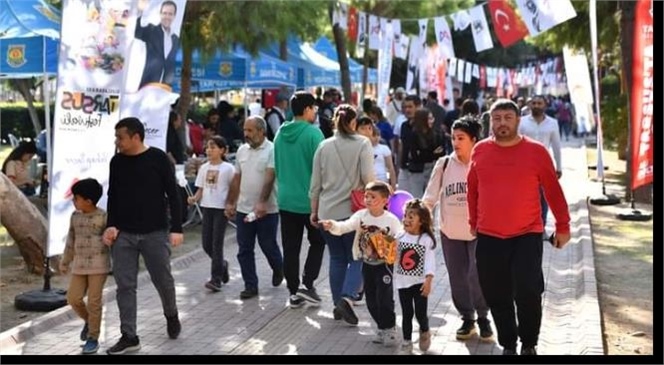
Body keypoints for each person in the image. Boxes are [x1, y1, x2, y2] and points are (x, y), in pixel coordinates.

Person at [467, 99, 571, 355]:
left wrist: (563, 225)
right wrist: (473, 222)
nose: (502, 123)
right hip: (489, 235)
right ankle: (509, 343)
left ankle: (529, 343)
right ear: (491, 121)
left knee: (528, 291)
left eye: (507, 118)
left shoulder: (536, 152)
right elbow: (473, 190)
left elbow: (553, 191)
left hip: (527, 233)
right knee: (495, 292)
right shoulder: (480, 150)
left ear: (517, 121)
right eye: (497, 118)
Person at [103, 117, 183, 355]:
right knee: (125, 286)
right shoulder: (117, 161)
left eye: (120, 137)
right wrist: (111, 225)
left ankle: (171, 313)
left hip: (155, 233)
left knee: (163, 281)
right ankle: (129, 335)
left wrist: (177, 228)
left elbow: (174, 194)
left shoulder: (158, 158)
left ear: (136, 137)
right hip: (124, 235)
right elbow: (113, 195)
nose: (117, 142)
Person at [422, 116, 493, 343]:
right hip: (450, 232)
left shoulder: (485, 163)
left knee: (477, 275)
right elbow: (430, 197)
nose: (455, 142)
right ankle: (467, 318)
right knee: (458, 278)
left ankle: (483, 317)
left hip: (478, 232)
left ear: (474, 139)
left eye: (461, 138)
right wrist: (421, 221)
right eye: (453, 137)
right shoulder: (443, 164)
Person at [310, 104, 375, 324]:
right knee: (357, 257)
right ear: (354, 122)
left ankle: (338, 303)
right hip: (353, 212)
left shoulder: (323, 146)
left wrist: (314, 211)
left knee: (336, 258)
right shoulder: (363, 144)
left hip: (326, 211)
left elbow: (315, 184)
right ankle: (346, 299)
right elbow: (368, 179)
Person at [319, 181, 401, 344]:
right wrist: (332, 225)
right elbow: (345, 226)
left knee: (384, 297)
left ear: (385, 200)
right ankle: (381, 327)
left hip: (384, 266)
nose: (368, 200)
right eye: (366, 196)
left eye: (373, 197)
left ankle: (389, 328)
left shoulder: (391, 220)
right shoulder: (361, 215)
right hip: (366, 264)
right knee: (370, 299)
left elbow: (400, 239)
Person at [273, 91, 326, 308]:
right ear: (306, 110)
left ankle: (293, 292)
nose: (315, 112)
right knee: (318, 242)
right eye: (314, 108)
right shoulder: (314, 135)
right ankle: (308, 283)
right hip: (311, 201)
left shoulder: (279, 134)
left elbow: (276, 165)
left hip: (285, 199)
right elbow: (324, 169)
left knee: (290, 247)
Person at [225, 116, 284, 300]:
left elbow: (270, 177)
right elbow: (237, 178)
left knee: (268, 245)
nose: (246, 134)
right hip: (244, 208)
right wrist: (230, 202)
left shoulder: (272, 149)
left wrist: (262, 202)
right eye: (245, 130)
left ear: (261, 131)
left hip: (267, 209)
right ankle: (250, 286)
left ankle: (278, 267)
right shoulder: (242, 151)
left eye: (250, 130)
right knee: (244, 250)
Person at [59, 178, 108, 355]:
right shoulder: (75, 216)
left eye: (76, 198)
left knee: (94, 302)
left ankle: (93, 338)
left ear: (88, 200)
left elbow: (111, 241)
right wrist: (65, 261)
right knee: (73, 298)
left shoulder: (103, 217)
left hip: (99, 266)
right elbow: (71, 239)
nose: (73, 201)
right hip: (79, 265)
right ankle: (89, 321)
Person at [187, 136, 234, 292]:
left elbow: (233, 189)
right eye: (207, 147)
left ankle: (216, 279)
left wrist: (230, 205)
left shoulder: (228, 168)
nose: (209, 150)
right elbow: (201, 189)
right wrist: (194, 198)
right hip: (207, 208)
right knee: (206, 243)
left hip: (221, 209)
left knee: (216, 243)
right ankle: (222, 265)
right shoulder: (204, 168)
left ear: (222, 150)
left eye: (213, 147)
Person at [393, 199, 436, 354]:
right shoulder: (399, 236)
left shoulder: (426, 240)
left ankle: (424, 330)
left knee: (420, 313)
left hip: (419, 283)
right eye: (405, 216)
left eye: (411, 217)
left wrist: (429, 280)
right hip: (403, 283)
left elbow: (430, 262)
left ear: (421, 221)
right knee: (406, 313)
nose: (406, 220)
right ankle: (406, 341)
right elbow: (392, 256)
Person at [518, 94, 563, 237]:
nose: (536, 106)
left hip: (544, 166)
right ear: (530, 105)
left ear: (545, 105)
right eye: (534, 103)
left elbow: (556, 146)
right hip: (524, 166)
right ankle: (524, 225)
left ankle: (541, 226)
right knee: (525, 196)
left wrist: (559, 167)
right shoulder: (522, 122)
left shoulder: (552, 123)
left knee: (544, 197)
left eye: (539, 103)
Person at [135, 0, 180, 89]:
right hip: (148, 84)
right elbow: (137, 32)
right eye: (165, 13)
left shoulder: (176, 39)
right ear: (160, 14)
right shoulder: (151, 30)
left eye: (170, 14)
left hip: (165, 87)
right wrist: (140, 11)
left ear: (174, 16)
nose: (167, 16)